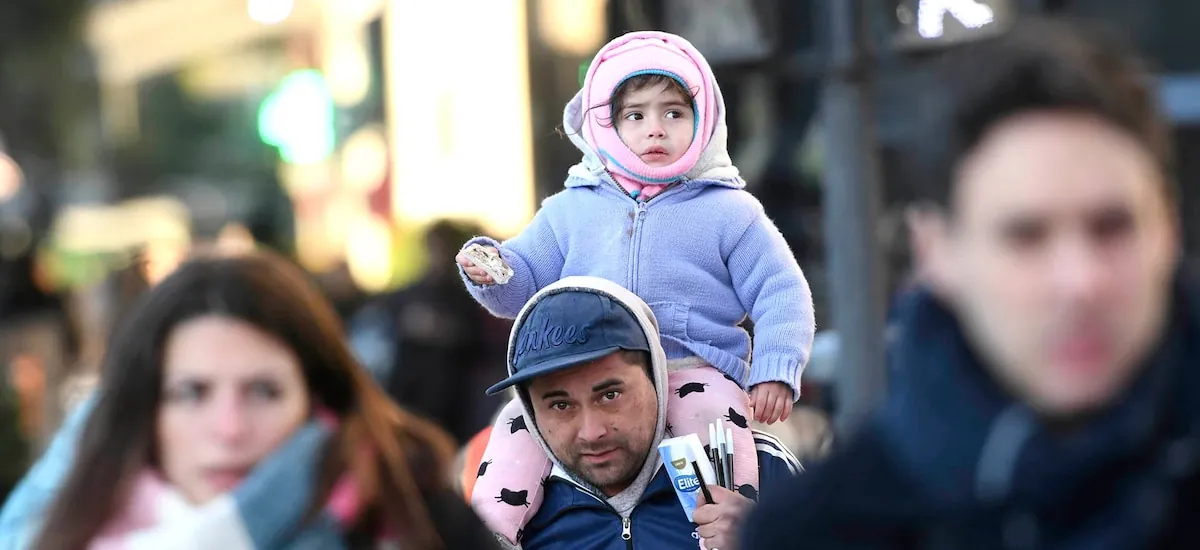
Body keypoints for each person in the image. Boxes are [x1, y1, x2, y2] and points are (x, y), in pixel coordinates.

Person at [743, 17, 1200, 549]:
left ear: (1169, 226)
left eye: (1112, 227)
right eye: (1025, 237)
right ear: (936, 250)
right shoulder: (820, 531)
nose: (1080, 282)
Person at [455, 30, 814, 542]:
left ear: (706, 119)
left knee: (715, 427)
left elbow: (781, 290)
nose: (656, 130)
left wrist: (777, 369)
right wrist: (493, 272)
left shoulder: (730, 211)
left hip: (694, 367)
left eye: (674, 112)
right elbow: (524, 288)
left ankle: (725, 531)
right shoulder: (570, 209)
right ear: (605, 126)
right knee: (515, 427)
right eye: (635, 115)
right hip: (585, 373)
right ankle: (489, 535)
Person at [0, 250, 497, 549]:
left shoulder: (417, 519)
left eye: (264, 391)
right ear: (146, 407)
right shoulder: (58, 525)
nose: (229, 428)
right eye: (192, 393)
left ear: (315, 396)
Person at [476, 276, 802, 549]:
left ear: (656, 377)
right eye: (560, 405)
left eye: (610, 395)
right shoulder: (511, 516)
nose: (592, 431)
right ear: (531, 412)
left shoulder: (763, 470)